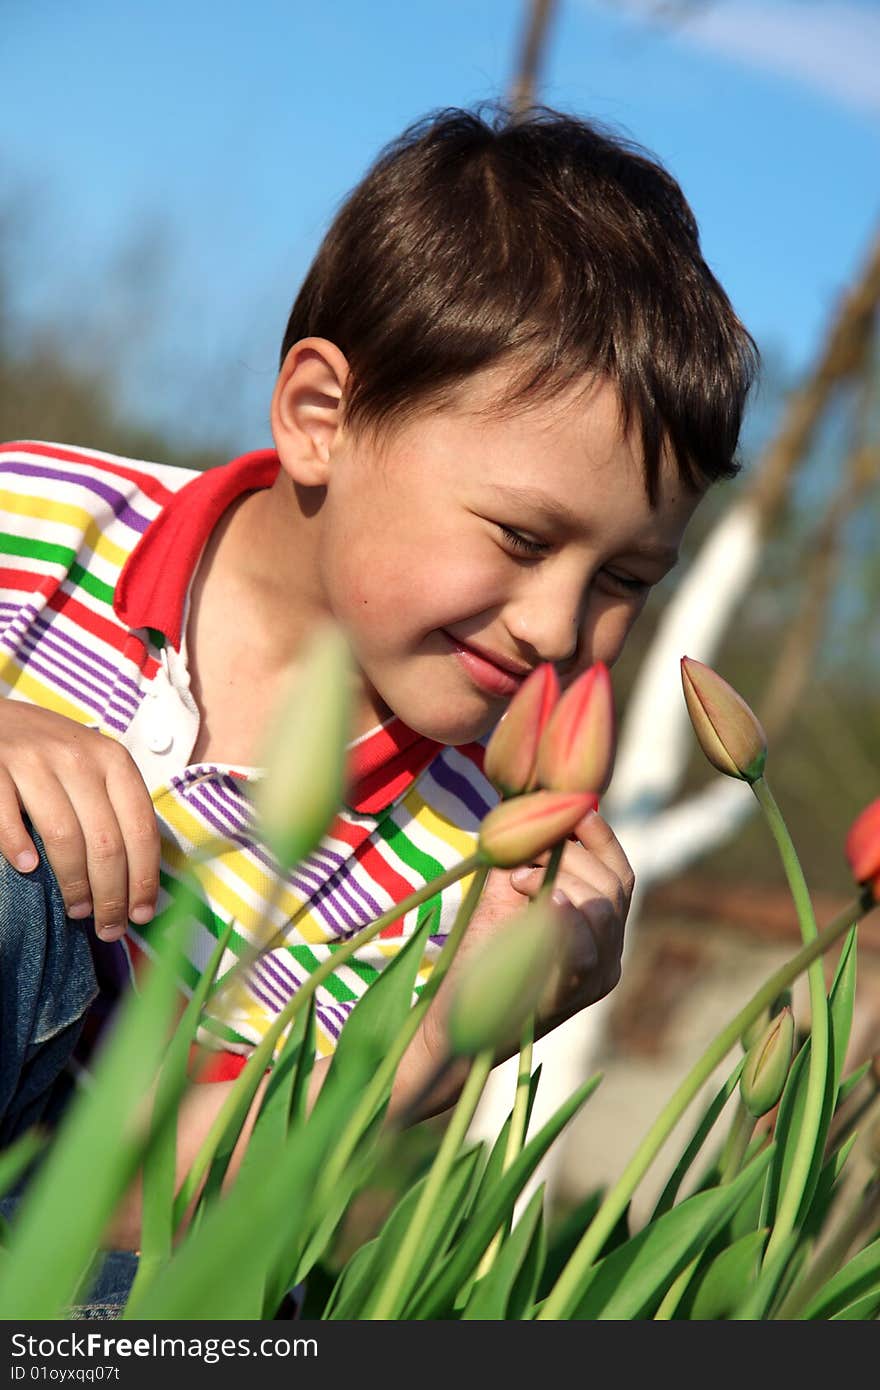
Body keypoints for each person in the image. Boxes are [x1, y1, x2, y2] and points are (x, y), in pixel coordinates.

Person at [0, 105, 756, 1274]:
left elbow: (144, 1218)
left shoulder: (467, 857)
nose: (559, 625)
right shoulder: (34, 525)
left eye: (624, 577)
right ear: (322, 417)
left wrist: (439, 1041)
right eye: (518, 534)